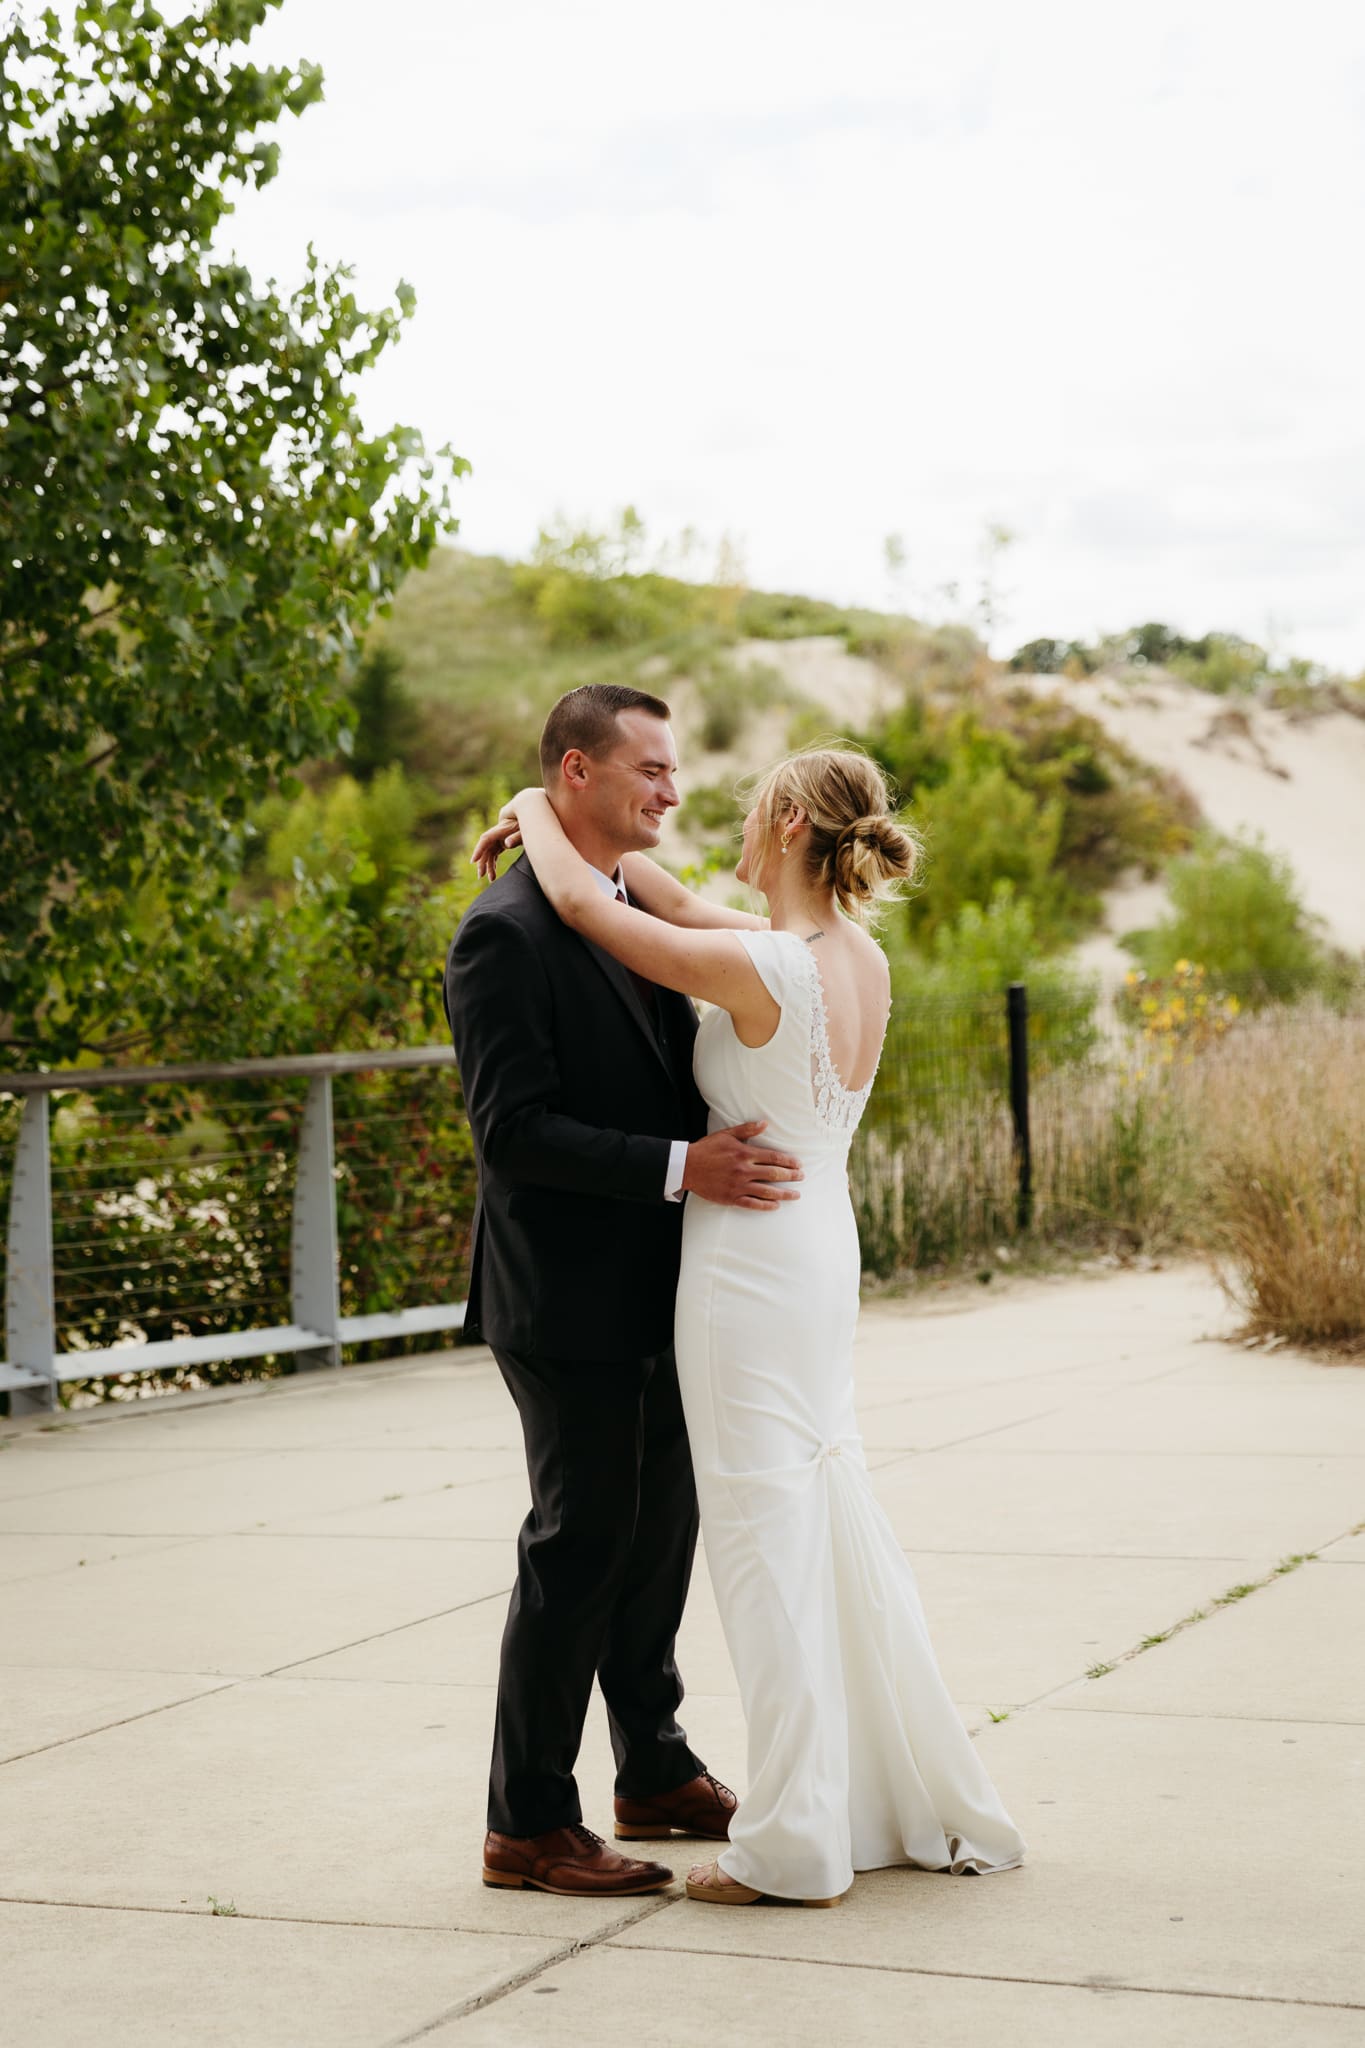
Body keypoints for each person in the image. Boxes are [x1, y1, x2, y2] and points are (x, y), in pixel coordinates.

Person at [477, 741, 1026, 1908]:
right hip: (820, 1249)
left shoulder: (761, 965)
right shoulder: (849, 955)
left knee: (758, 1546)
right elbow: (666, 898)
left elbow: (584, 898)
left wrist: (532, 800)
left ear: (783, 823)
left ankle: (793, 1839)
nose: (708, 819)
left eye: (742, 807)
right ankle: (850, 1793)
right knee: (817, 1511)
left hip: (748, 1270)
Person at [444, 682, 805, 1900]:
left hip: (667, 1292)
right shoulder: (506, 931)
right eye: (648, 768)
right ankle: (527, 1820)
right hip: (563, 1300)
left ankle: (652, 1765)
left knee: (657, 1541)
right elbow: (515, 1132)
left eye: (673, 767)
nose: (672, 788)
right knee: (579, 1540)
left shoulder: (624, 907)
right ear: (576, 776)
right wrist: (681, 1167)